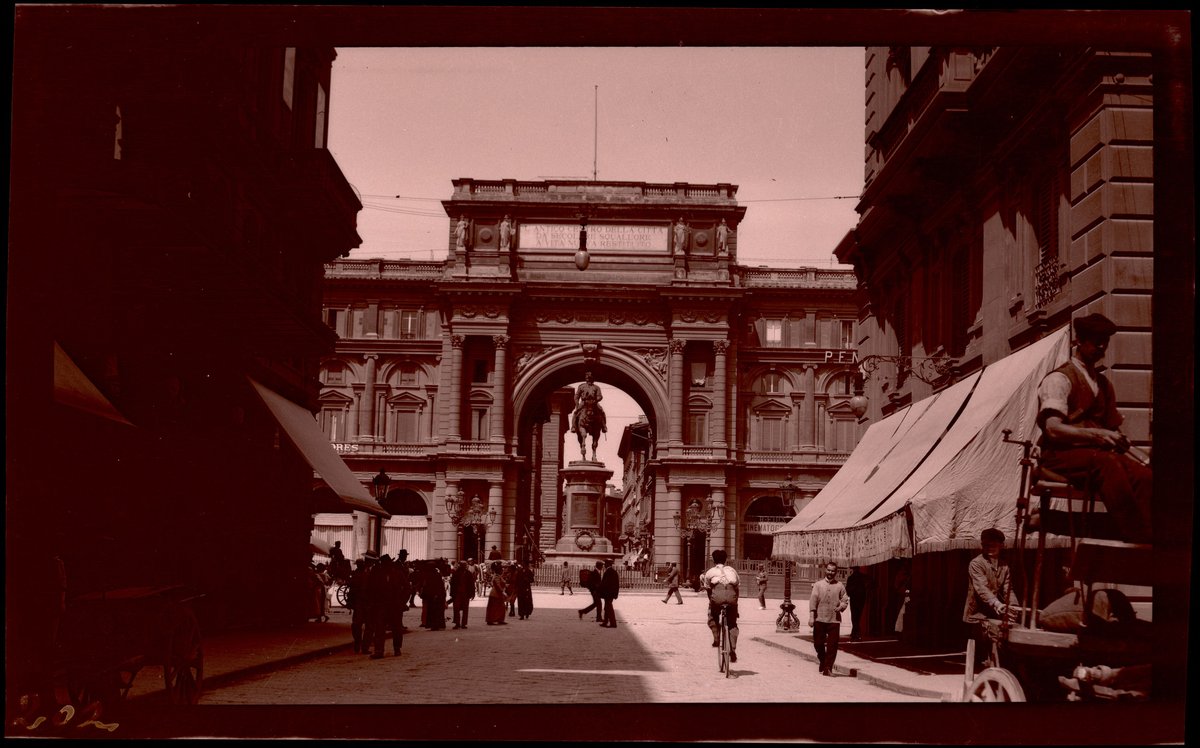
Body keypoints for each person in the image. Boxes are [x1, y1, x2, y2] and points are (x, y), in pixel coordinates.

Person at [1036, 312, 1152, 544]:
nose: (1101, 346)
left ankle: (1150, 537)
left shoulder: (1104, 384)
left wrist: (1121, 442)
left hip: (1095, 455)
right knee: (1107, 463)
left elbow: (1112, 428)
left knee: (1144, 475)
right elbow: (1053, 430)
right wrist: (1099, 435)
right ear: (1079, 340)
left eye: (1105, 341)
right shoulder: (1059, 379)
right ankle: (1134, 534)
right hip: (1059, 456)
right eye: (1095, 339)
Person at [963, 528, 1019, 668]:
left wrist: (1013, 606)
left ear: (1001, 545)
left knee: (999, 643)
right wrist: (997, 604)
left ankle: (995, 668)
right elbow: (982, 588)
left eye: (993, 545)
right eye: (986, 545)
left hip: (994, 611)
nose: (989, 548)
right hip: (977, 613)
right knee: (980, 649)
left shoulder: (1004, 566)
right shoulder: (976, 564)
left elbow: (1008, 589)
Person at [809, 562, 848, 676]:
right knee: (818, 643)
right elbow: (813, 601)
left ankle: (828, 668)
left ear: (836, 572)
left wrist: (841, 606)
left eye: (833, 571)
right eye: (829, 570)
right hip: (819, 618)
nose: (830, 573)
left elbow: (845, 600)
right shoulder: (818, 585)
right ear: (825, 570)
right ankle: (822, 660)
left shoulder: (840, 585)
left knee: (832, 645)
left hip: (834, 620)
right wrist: (812, 617)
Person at [702, 549, 739, 663]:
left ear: (714, 560)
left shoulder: (710, 571)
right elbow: (737, 585)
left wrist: (711, 601)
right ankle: (732, 648)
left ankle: (717, 638)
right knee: (732, 623)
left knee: (712, 616)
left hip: (717, 599)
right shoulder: (732, 570)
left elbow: (707, 587)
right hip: (732, 598)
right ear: (726, 560)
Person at [346, 557, 373, 652]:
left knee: (359, 625)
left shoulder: (359, 574)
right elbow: (352, 590)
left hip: (363, 602)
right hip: (363, 602)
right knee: (365, 625)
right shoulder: (366, 574)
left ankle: (360, 644)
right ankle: (362, 645)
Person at [570, 371, 606, 435]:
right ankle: (573, 427)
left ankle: (604, 426)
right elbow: (577, 396)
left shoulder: (596, 387)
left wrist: (596, 400)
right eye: (587, 378)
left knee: (601, 411)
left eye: (589, 378)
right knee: (576, 412)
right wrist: (577, 404)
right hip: (584, 402)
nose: (588, 380)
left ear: (592, 379)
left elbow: (600, 396)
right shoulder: (581, 386)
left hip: (594, 402)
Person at [448, 559, 476, 629]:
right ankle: (457, 623)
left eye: (464, 565)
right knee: (456, 609)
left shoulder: (468, 573)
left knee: (465, 609)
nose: (464, 566)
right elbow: (452, 584)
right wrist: (452, 594)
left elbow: (472, 584)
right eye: (462, 565)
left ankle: (463, 624)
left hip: (465, 594)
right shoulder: (456, 573)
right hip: (457, 594)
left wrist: (472, 593)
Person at [845, 566, 870, 641]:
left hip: (854, 598)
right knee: (858, 616)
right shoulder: (863, 577)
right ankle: (855, 632)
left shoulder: (851, 578)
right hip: (860, 598)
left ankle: (855, 633)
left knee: (855, 616)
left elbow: (848, 589)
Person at [599, 558, 620, 628]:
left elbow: (605, 584)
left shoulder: (609, 572)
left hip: (608, 594)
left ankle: (613, 623)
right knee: (607, 607)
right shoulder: (613, 571)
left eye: (605, 564)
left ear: (608, 564)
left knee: (609, 608)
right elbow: (617, 584)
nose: (604, 565)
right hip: (610, 593)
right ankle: (605, 622)